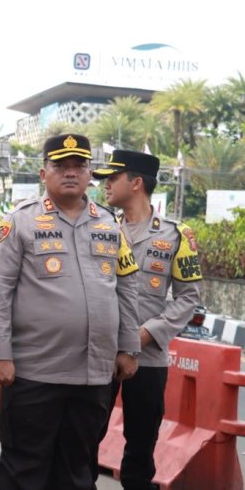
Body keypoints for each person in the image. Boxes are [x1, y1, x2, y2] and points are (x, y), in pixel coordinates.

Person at [0, 134, 141, 490]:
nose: (70, 173)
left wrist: (128, 347)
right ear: (42, 173)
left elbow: (126, 288)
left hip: (93, 375)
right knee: (23, 471)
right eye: (60, 166)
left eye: (79, 166)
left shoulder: (110, 225)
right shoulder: (19, 222)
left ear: (89, 173)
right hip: (34, 372)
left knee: (77, 472)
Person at [93, 150, 202, 489]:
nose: (105, 184)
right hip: (100, 354)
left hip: (149, 356)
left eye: (113, 178)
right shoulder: (100, 228)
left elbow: (189, 297)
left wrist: (146, 334)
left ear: (136, 182)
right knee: (84, 441)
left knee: (140, 450)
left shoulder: (176, 235)